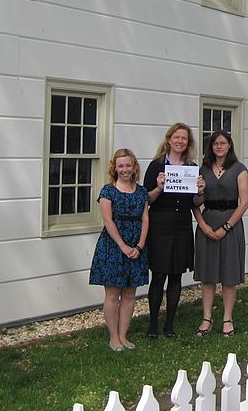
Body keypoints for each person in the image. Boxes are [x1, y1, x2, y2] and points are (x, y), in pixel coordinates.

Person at [142, 122, 205, 339]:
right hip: (160, 225)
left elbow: (196, 202)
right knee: (158, 275)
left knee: (176, 276)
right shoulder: (156, 166)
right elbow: (146, 200)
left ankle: (169, 324)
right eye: (176, 137)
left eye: (184, 138)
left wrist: (200, 191)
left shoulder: (191, 167)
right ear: (169, 139)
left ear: (188, 143)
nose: (180, 141)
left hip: (181, 225)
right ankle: (152, 324)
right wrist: (159, 187)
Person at [88, 148, 149, 351]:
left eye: (128, 165)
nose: (124, 169)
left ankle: (123, 335)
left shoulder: (141, 192)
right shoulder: (108, 191)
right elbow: (107, 220)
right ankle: (113, 337)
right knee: (113, 294)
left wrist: (139, 246)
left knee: (130, 294)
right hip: (113, 246)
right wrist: (123, 246)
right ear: (115, 167)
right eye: (120, 165)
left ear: (134, 167)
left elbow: (145, 219)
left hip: (136, 247)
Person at [193, 130, 248, 338]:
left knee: (228, 274)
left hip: (231, 225)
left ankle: (227, 318)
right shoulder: (203, 169)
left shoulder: (239, 169)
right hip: (207, 224)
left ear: (229, 145)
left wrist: (226, 227)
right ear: (211, 147)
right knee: (208, 275)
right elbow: (196, 203)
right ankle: (207, 318)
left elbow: (244, 203)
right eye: (215, 143)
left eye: (223, 143)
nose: (219, 146)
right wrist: (203, 224)